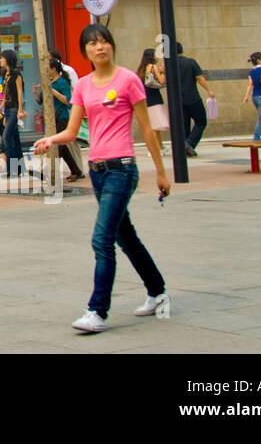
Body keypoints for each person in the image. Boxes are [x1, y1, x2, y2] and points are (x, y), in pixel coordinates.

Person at [33, 23, 171, 333]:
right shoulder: (82, 85)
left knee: (102, 239)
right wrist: (51, 141)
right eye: (93, 44)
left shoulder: (128, 80)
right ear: (85, 52)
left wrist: (161, 172)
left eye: (104, 41)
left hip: (122, 169)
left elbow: (147, 129)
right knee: (126, 237)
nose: (100, 47)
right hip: (97, 170)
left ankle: (97, 311)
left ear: (112, 46)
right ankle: (158, 291)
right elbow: (72, 131)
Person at [36, 55, 83, 181]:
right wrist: (36, 92)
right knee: (59, 147)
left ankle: (56, 171)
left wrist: (54, 91)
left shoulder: (62, 83)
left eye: (48, 68)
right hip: (51, 119)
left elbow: (68, 100)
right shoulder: (49, 82)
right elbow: (40, 101)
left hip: (62, 117)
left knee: (60, 147)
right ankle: (75, 171)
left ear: (54, 69)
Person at [174, 44, 215, 157]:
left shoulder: (170, 65)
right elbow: (199, 78)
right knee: (201, 122)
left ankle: (184, 148)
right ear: (181, 50)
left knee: (184, 125)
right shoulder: (190, 62)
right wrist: (209, 90)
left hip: (177, 101)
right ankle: (189, 143)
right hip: (192, 98)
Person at [0, 49, 25, 178]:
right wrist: (1, 107)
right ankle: (19, 168)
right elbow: (6, 94)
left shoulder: (16, 74)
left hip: (14, 109)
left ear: (8, 59)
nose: (0, 60)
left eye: (2, 58)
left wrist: (20, 109)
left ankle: (12, 168)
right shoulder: (6, 74)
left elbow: (19, 92)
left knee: (6, 137)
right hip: (8, 109)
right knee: (15, 139)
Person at [136, 47, 168, 136]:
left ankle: (160, 147)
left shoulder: (142, 68)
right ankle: (157, 147)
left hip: (146, 98)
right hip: (154, 98)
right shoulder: (153, 66)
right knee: (155, 126)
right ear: (151, 56)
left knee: (154, 126)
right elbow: (162, 81)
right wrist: (163, 72)